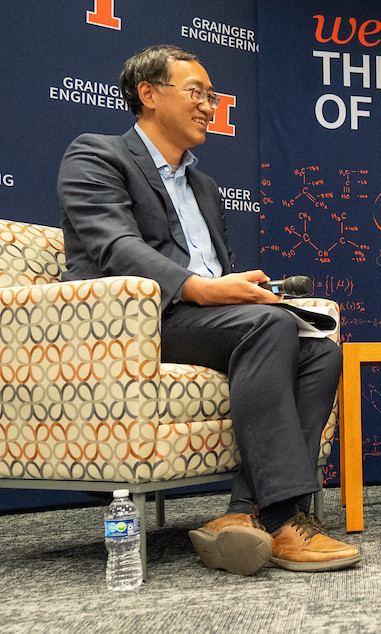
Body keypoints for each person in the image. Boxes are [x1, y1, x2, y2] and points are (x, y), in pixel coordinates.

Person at [57, 45, 360, 574]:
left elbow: (215, 275)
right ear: (148, 94)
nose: (208, 106)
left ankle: (242, 515)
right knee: (266, 326)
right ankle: (286, 517)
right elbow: (115, 248)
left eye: (211, 97)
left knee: (320, 350)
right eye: (196, 92)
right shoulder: (96, 155)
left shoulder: (205, 185)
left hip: (200, 319)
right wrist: (199, 288)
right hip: (132, 326)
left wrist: (230, 285)